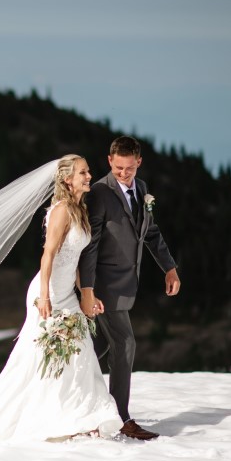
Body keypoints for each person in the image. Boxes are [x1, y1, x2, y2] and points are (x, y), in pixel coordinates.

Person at [0, 154, 122, 441]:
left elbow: (73, 259)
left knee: (80, 350)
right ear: (67, 179)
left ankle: (81, 414)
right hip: (47, 292)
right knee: (40, 355)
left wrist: (88, 292)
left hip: (67, 292)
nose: (89, 176)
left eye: (88, 171)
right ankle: (34, 417)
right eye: (83, 173)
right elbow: (48, 255)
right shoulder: (61, 210)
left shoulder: (79, 209)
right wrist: (44, 296)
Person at [79, 136, 180, 441]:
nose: (123, 173)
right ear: (110, 161)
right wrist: (87, 288)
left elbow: (149, 232)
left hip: (126, 283)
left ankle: (76, 406)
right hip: (103, 286)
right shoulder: (98, 193)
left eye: (129, 168)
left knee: (97, 349)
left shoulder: (143, 188)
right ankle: (120, 419)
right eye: (118, 167)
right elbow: (90, 246)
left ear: (139, 162)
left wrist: (169, 267)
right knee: (124, 344)